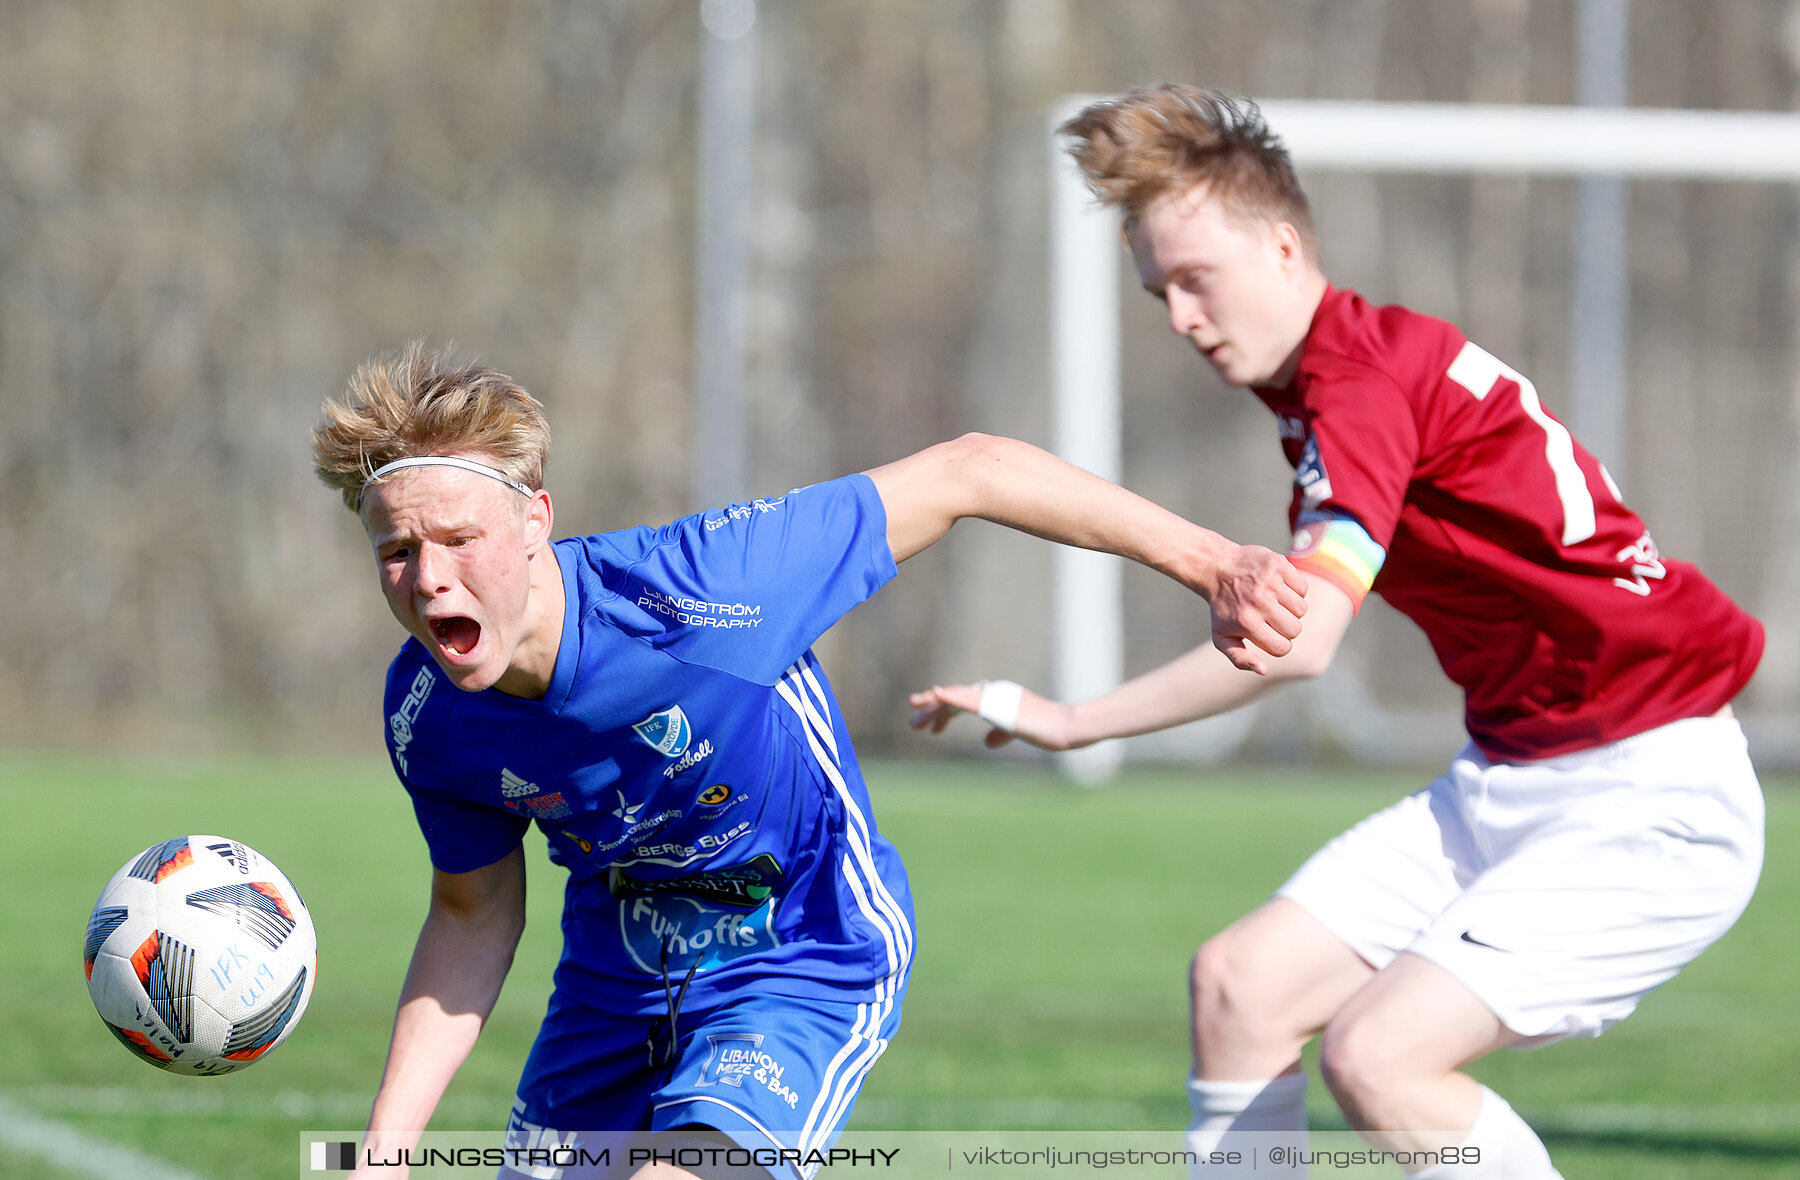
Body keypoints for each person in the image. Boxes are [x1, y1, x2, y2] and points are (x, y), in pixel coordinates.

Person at [910, 85, 1765, 1180]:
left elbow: (1301, 639)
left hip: (1651, 797)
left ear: (1280, 246)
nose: (1178, 315)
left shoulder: (1358, 382)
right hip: (1513, 774)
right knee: (1241, 986)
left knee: (1384, 1060)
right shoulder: (1348, 373)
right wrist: (1076, 720)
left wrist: (1079, 720)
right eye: (1157, 291)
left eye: (1194, 278)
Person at [310, 341, 1307, 1180]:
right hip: (615, 977)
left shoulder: (702, 591)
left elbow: (974, 468)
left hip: (799, 947)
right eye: (397, 550)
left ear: (535, 523)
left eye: (457, 537)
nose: (429, 575)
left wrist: (1216, 562)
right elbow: (473, 916)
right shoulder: (426, 714)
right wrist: (387, 1149)